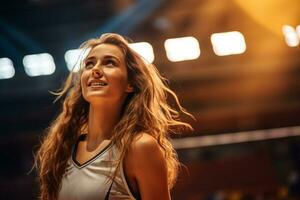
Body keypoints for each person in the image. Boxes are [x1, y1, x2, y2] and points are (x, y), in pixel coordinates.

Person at [34, 33, 193, 200]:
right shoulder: (63, 148)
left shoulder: (140, 147)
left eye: (109, 63)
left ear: (130, 83)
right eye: (89, 64)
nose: (95, 69)